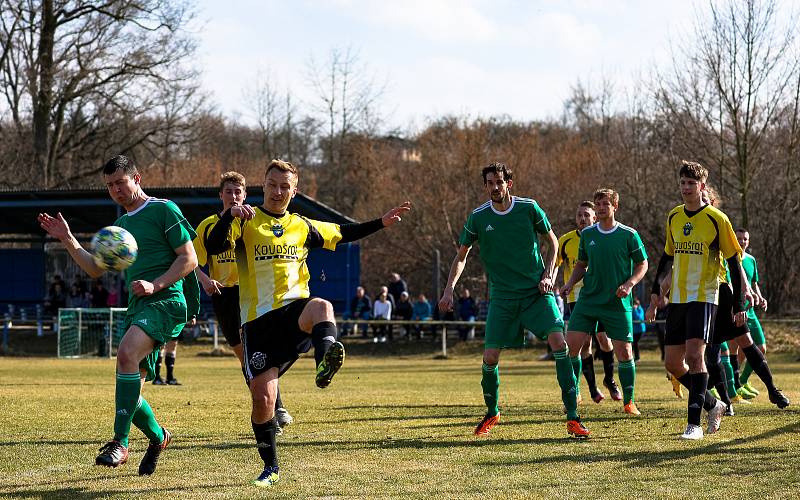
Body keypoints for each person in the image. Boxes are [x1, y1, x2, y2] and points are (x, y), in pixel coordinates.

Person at [204, 158, 411, 487]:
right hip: (257, 323)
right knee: (263, 399)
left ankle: (324, 361)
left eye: (285, 186)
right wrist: (229, 217)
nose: (278, 191)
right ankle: (270, 467)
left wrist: (381, 223)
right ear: (264, 186)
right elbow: (214, 247)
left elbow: (343, 233)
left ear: (294, 191)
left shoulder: (302, 225)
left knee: (322, 307)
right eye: (272, 185)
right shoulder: (246, 218)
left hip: (294, 311)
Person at [37, 154, 200, 474]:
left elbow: (189, 259)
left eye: (120, 182)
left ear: (137, 179)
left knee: (125, 353)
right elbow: (95, 268)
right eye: (109, 185)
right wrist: (68, 240)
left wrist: (156, 284)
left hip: (166, 301)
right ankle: (159, 436)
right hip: (138, 306)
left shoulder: (163, 209)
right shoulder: (120, 227)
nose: (115, 189)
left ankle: (119, 442)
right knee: (131, 389)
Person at [439, 162, 588, 439]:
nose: (495, 187)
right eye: (490, 183)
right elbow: (462, 256)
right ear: (485, 186)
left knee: (560, 343)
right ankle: (492, 411)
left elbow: (553, 243)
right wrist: (449, 289)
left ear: (509, 183)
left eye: (499, 182)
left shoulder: (529, 208)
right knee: (489, 357)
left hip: (535, 294)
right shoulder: (478, 217)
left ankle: (573, 417)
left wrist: (548, 274)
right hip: (503, 298)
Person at [646, 160, 748, 440]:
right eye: (683, 183)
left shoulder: (717, 218)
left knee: (695, 356)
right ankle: (713, 404)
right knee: (672, 363)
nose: (686, 188)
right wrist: (657, 292)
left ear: (702, 186)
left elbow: (734, 263)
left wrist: (739, 302)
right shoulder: (674, 217)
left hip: (705, 295)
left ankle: (694, 425)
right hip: (678, 297)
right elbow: (668, 255)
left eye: (692, 183)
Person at [192, 171, 293, 429]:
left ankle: (274, 408)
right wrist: (204, 280)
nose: (234, 196)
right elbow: (191, 260)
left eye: (238, 192)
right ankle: (272, 406)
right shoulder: (207, 226)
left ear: (245, 195)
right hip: (225, 297)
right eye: (229, 192)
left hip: (254, 294)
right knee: (245, 358)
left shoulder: (255, 222)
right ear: (221, 196)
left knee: (264, 353)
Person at [563, 189, 648, 416]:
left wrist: (629, 284)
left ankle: (629, 401)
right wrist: (570, 283)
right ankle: (574, 394)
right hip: (588, 300)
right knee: (570, 348)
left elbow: (642, 265)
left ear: (615, 207)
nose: (600, 208)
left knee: (625, 352)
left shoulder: (629, 234)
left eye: (605, 204)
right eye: (598, 204)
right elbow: (581, 265)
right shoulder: (588, 234)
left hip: (617, 302)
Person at [557, 200, 622, 404]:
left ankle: (610, 380)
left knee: (604, 339)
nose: (582, 218)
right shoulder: (566, 240)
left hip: (601, 296)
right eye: (579, 215)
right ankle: (591, 388)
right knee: (584, 343)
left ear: (595, 217)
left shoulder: (601, 237)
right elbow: (555, 263)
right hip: (577, 298)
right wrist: (550, 279)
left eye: (586, 215)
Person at [735, 228, 769, 399]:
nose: (742, 242)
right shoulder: (729, 259)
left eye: (745, 239)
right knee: (738, 348)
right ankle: (733, 384)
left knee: (761, 347)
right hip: (736, 310)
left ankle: (742, 380)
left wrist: (760, 297)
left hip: (751, 311)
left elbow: (753, 283)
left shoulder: (751, 260)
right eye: (739, 238)